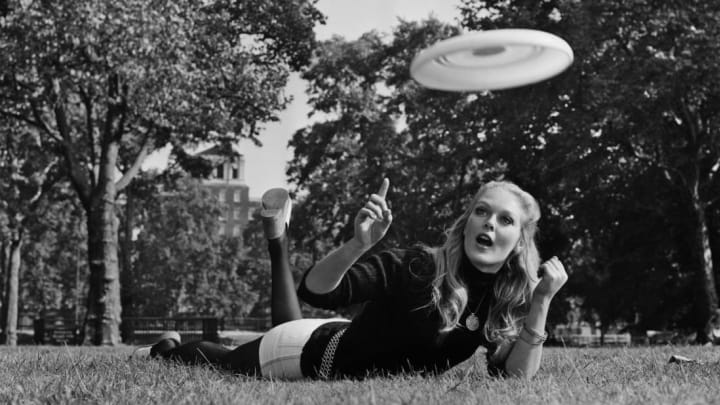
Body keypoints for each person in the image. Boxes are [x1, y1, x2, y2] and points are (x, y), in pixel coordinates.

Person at [136, 178, 568, 379]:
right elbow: (318, 291)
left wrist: (541, 303)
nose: (488, 223)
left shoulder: (506, 297)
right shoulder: (419, 266)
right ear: (467, 220)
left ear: (519, 239)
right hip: (310, 354)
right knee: (220, 360)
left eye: (504, 219)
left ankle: (278, 242)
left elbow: (514, 379)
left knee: (284, 323)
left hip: (338, 334)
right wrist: (359, 244)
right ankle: (165, 348)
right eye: (481, 210)